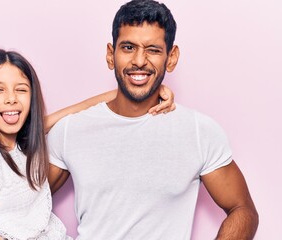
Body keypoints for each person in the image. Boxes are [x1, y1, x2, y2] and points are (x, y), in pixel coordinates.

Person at [47, 0, 259, 239]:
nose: (139, 60)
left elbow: (243, 209)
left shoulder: (200, 132)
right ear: (110, 55)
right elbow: (20, 208)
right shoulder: (69, 131)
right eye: (128, 47)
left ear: (171, 57)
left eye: (153, 50)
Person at [0, 49, 175, 239]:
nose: (11, 98)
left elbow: (77, 110)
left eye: (21, 89)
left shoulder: (24, 144)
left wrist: (145, 92)